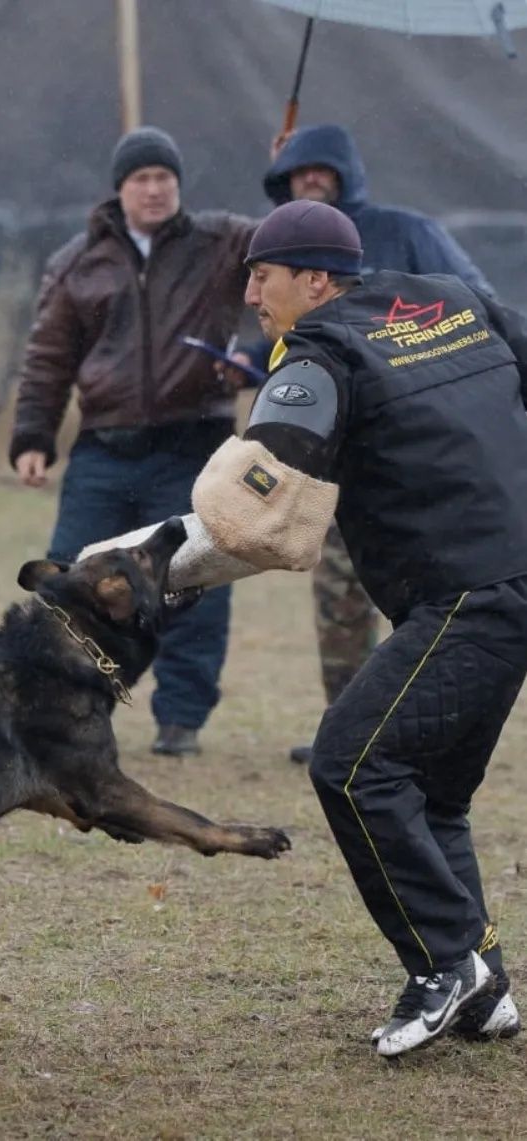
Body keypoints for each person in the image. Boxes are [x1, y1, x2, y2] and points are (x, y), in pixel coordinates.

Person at [87, 199, 527, 1057]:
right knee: (430, 791)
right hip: (506, 577)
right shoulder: (449, 298)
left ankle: (446, 967)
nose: (251, 290)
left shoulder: (321, 353)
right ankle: (484, 987)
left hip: (467, 592)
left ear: (317, 279)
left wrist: (136, 569)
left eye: (264, 273)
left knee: (351, 767)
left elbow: (254, 511)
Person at [9, 126, 255, 756]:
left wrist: (253, 353)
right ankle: (62, 708)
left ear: (179, 185)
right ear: (119, 189)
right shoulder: (77, 263)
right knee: (68, 580)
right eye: (141, 179)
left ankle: (181, 721)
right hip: (104, 447)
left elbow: (293, 249)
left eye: (164, 178)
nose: (154, 189)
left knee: (193, 582)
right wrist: (33, 435)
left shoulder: (223, 243)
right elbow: (47, 357)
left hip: (193, 446)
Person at [261, 124, 495, 766]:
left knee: (422, 599)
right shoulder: (285, 254)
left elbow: (480, 306)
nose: (310, 180)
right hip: (337, 457)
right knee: (339, 601)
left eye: (321, 171)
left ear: (346, 172)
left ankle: (427, 730)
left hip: (416, 455)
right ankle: (349, 728)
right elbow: (280, 342)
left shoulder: (407, 232)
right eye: (295, 173)